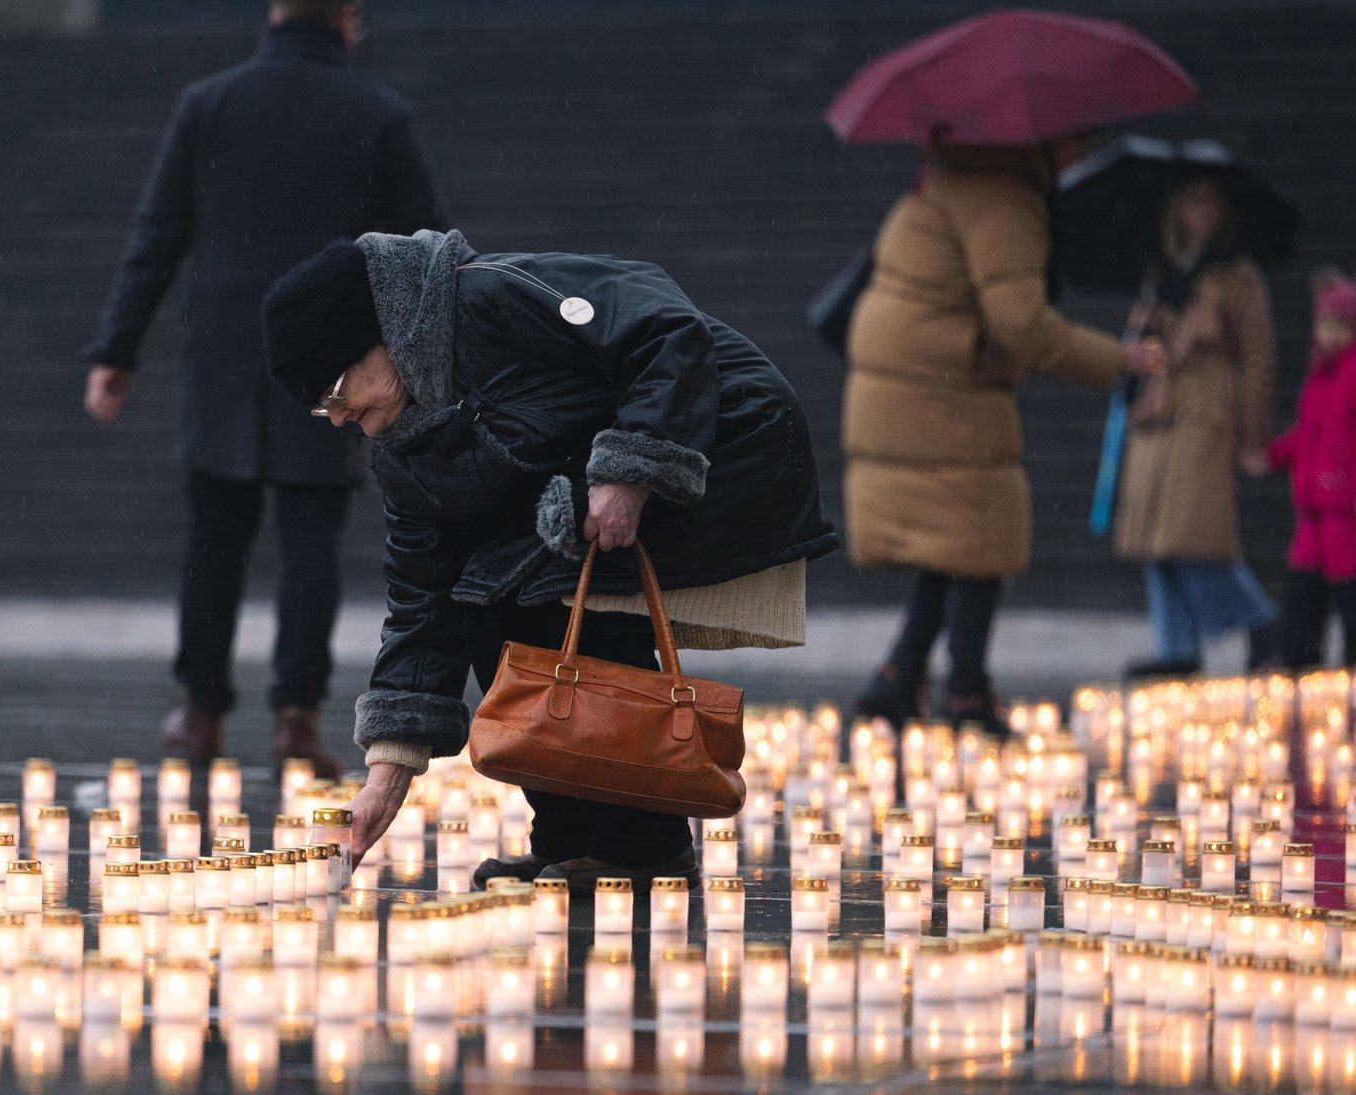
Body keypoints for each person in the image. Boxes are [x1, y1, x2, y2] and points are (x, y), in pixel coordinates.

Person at [260, 229, 838, 888]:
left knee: (554, 590)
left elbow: (665, 328)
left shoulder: (489, 299)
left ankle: (640, 843)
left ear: (382, 333)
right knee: (485, 601)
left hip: (725, 439)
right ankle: (571, 836)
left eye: (335, 389)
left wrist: (634, 468)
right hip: (586, 489)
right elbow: (423, 601)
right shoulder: (402, 448)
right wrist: (385, 779)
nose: (336, 417)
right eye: (320, 407)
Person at [83, 0, 445, 778]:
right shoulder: (376, 113)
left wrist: (116, 349)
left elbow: (157, 235)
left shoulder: (207, 104)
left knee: (212, 540)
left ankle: (200, 710)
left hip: (221, 353)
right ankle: (296, 718)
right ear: (347, 19)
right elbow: (427, 249)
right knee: (310, 542)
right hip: (329, 358)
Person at [842, 137, 1164, 735]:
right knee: (985, 535)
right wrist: (1119, 359)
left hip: (901, 386)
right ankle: (965, 691)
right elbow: (1023, 325)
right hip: (945, 388)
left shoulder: (941, 185)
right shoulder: (1002, 199)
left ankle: (897, 676)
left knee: (953, 542)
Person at [1111, 174, 1277, 678]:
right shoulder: (1162, 273)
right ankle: (1177, 647)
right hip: (1157, 415)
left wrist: (1253, 436)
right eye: (1189, 202)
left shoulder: (1238, 276)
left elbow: (1257, 358)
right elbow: (1139, 350)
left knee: (1194, 537)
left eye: (1208, 202)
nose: (1198, 213)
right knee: (1154, 542)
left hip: (1205, 412)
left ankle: (1259, 624)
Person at [1259, 272, 1356, 667]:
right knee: (1301, 593)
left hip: (1345, 511)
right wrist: (1275, 453)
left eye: (1339, 326)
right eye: (1324, 325)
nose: (1329, 334)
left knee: (1349, 597)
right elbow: (1309, 433)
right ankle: (1297, 666)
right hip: (1313, 510)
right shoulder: (1320, 374)